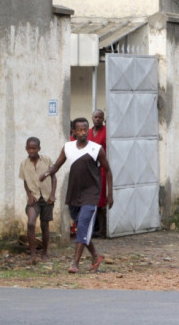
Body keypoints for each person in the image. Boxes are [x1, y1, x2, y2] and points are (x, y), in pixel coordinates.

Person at [40, 118, 114, 274]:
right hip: (74, 194)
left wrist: (110, 194)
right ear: (73, 131)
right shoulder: (68, 147)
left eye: (85, 129)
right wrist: (46, 173)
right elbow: (56, 166)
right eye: (79, 130)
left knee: (82, 227)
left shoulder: (96, 149)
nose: (83, 132)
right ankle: (95, 255)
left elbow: (107, 171)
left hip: (91, 194)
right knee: (82, 228)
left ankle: (75, 263)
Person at [18, 137, 57, 264]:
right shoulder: (24, 163)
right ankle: (32, 255)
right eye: (29, 148)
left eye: (34, 148)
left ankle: (44, 253)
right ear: (26, 149)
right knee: (30, 223)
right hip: (33, 198)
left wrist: (52, 195)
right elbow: (25, 181)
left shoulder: (46, 160)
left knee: (45, 226)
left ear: (39, 148)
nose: (31, 150)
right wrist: (29, 195)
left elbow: (54, 178)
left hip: (46, 198)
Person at [88, 109, 108, 237]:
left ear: (103, 118)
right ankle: (92, 228)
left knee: (101, 200)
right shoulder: (89, 132)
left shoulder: (107, 132)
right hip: (90, 169)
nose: (97, 119)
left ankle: (102, 230)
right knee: (91, 199)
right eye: (95, 117)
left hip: (102, 169)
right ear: (92, 118)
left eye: (100, 117)